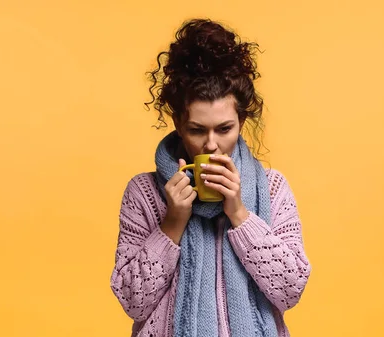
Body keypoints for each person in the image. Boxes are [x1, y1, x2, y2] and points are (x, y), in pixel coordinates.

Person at [110, 18, 311, 337]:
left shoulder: (272, 189)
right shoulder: (145, 192)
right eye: (196, 130)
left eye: (224, 128)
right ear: (177, 123)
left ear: (242, 121)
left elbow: (290, 290)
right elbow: (133, 302)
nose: (211, 144)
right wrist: (172, 222)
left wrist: (240, 214)